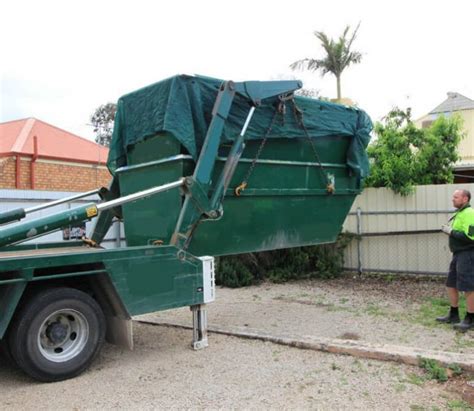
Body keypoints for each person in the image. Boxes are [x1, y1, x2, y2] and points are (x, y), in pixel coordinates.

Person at [437, 189, 474, 331]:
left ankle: (470, 318)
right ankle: (454, 314)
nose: (453, 199)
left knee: (468, 286)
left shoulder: (470, 213)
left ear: (465, 199)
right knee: (451, 283)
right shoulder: (459, 213)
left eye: (456, 197)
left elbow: (471, 236)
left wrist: (450, 231)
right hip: (458, 253)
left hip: (467, 253)